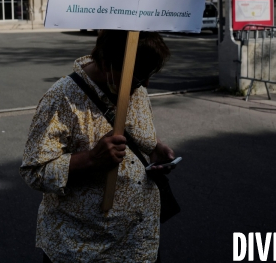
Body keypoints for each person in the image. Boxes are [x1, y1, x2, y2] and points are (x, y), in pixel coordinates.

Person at [20, 30, 175, 263]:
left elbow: (139, 137)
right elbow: (34, 172)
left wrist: (155, 149)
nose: (146, 84)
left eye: (148, 75)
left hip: (139, 245)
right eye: (138, 76)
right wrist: (91, 159)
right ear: (105, 63)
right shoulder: (61, 98)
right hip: (84, 250)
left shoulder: (136, 88)